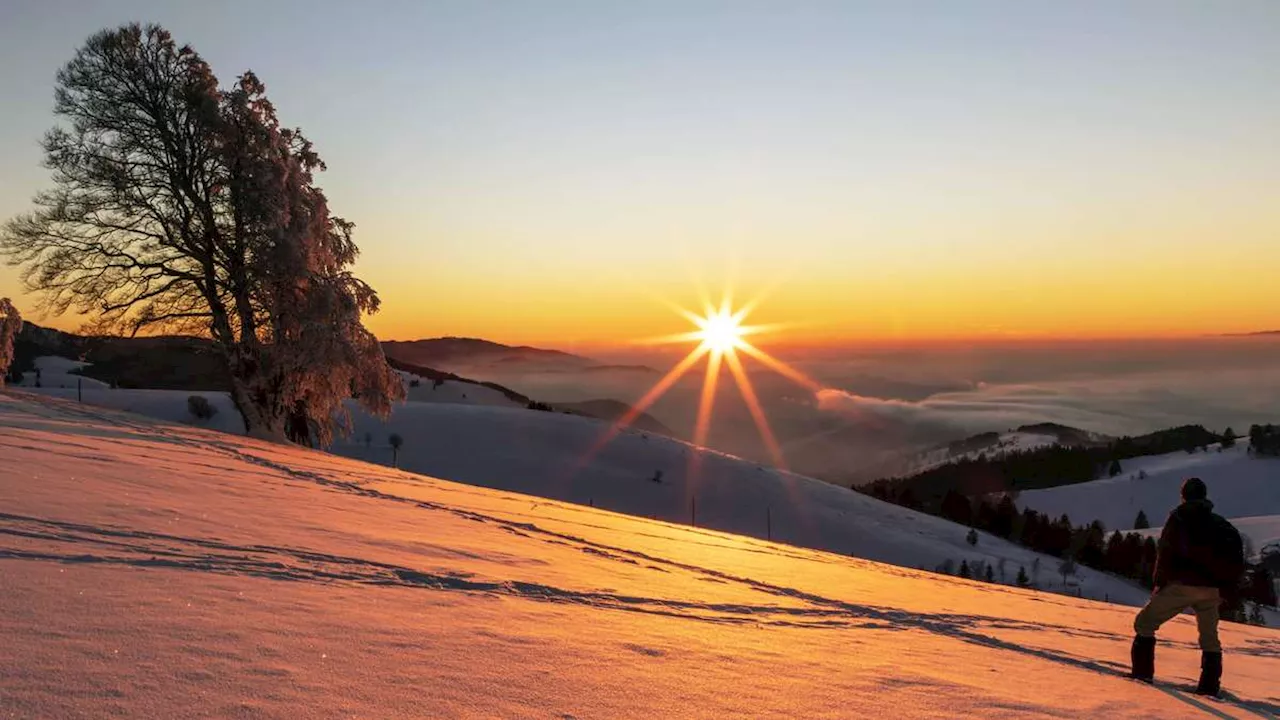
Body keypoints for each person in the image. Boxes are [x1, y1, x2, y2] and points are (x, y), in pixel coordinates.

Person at [1130, 477, 1245, 696]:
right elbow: (1236, 560)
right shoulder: (1222, 524)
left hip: (1182, 585)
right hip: (1212, 590)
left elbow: (1166, 551)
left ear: (1184, 495)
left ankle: (1142, 676)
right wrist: (1227, 591)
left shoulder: (1179, 517)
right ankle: (1209, 687)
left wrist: (1159, 583)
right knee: (1209, 638)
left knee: (1144, 623)